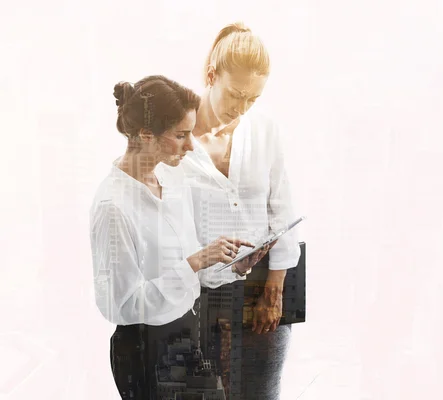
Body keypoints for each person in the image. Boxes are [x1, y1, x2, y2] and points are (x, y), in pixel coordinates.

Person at [89, 75, 265, 399]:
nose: (191, 146)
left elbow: (189, 266)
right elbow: (122, 306)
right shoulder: (112, 207)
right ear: (146, 136)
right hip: (145, 354)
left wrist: (233, 266)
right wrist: (195, 261)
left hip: (188, 337)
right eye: (181, 135)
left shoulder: (170, 177)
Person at [178, 22, 301, 399]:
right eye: (235, 94)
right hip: (194, 298)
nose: (242, 107)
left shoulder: (265, 131)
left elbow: (282, 210)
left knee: (261, 393)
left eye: (253, 98)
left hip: (261, 292)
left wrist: (273, 292)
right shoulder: (175, 139)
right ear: (211, 75)